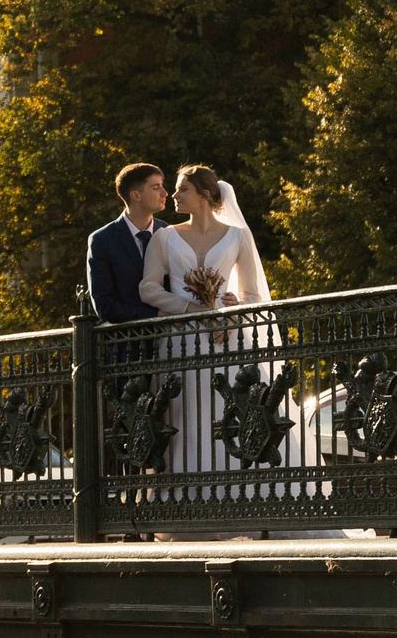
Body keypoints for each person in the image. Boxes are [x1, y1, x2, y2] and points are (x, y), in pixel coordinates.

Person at [137, 165, 274, 477]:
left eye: (182, 189)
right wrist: (189, 309)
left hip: (227, 340)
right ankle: (187, 496)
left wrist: (233, 310)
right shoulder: (164, 237)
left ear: (205, 194)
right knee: (184, 417)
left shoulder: (239, 236)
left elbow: (253, 295)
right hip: (179, 341)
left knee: (227, 413)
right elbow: (148, 288)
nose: (173, 195)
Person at [86, 162, 169, 325]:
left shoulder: (168, 232)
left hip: (175, 342)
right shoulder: (102, 240)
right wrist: (156, 314)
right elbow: (105, 306)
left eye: (162, 186)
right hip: (129, 345)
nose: (165, 193)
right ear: (136, 196)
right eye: (156, 187)